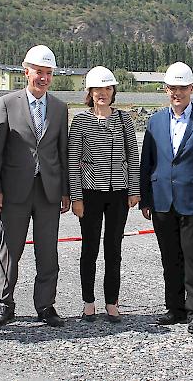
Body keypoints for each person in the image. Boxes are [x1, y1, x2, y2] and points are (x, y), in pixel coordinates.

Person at [139, 62, 193, 335]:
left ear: (191, 89)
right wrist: (145, 199)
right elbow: (147, 162)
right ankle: (175, 308)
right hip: (163, 202)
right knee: (170, 258)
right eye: (172, 88)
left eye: (182, 88)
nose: (177, 93)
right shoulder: (155, 122)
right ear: (166, 90)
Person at [0, 45, 70, 328]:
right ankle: (5, 304)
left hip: (48, 190)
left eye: (48, 73)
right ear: (26, 72)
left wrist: (65, 191)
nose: (43, 78)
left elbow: (63, 153)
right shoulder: (7, 104)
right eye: (38, 72)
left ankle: (46, 305)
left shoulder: (59, 108)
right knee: (10, 249)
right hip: (14, 191)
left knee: (47, 251)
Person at [68, 66, 140, 323]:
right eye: (98, 88)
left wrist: (134, 190)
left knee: (114, 248)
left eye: (108, 88)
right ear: (89, 91)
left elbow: (132, 155)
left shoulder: (124, 120)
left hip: (118, 193)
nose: (103, 93)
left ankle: (112, 302)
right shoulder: (80, 121)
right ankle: (89, 302)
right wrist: (76, 197)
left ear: (113, 91)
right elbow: (73, 160)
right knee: (89, 248)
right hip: (89, 193)